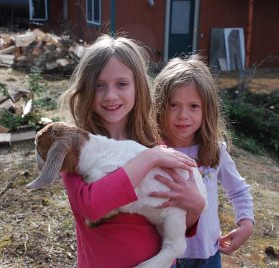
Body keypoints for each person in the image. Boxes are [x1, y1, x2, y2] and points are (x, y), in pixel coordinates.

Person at [57, 34, 206, 268]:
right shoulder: (76, 152)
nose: (110, 95)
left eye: (122, 84)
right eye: (99, 85)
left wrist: (196, 206)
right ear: (86, 89)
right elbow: (92, 207)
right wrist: (147, 160)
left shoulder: (152, 145)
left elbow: (175, 218)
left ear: (139, 87)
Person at [152, 56, 254, 267]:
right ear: (160, 105)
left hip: (208, 255)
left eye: (193, 106)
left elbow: (238, 190)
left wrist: (246, 223)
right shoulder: (153, 151)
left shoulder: (215, 151)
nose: (183, 115)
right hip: (164, 255)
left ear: (207, 109)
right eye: (174, 105)